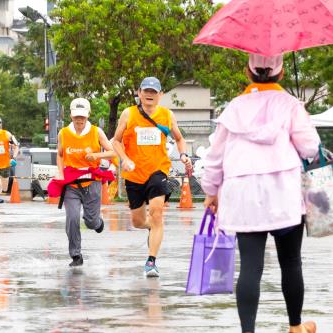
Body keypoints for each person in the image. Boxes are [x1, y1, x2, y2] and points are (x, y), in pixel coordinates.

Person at [201, 54, 320, 333]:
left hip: (243, 195)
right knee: (291, 261)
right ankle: (295, 326)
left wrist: (210, 191)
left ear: (248, 71)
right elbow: (310, 148)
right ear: (280, 74)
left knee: (250, 267)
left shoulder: (233, 108)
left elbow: (215, 156)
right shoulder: (290, 105)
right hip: (284, 194)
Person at [112, 77, 192, 277]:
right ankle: (152, 228)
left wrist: (183, 155)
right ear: (139, 92)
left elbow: (179, 139)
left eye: (154, 91)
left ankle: (151, 261)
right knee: (138, 222)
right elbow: (115, 141)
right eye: (146, 90)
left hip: (158, 171)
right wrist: (124, 159)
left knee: (157, 213)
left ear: (160, 95)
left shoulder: (167, 115)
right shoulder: (128, 114)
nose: (149, 94)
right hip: (134, 174)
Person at [56, 98, 116, 267]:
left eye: (82, 116)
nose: (79, 120)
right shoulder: (64, 133)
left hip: (92, 182)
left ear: (88, 115)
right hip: (72, 184)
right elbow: (60, 154)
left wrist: (96, 156)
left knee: (90, 222)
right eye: (76, 116)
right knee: (72, 218)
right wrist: (60, 173)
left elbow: (112, 153)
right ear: (71, 115)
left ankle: (98, 222)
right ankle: (76, 255)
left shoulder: (97, 132)